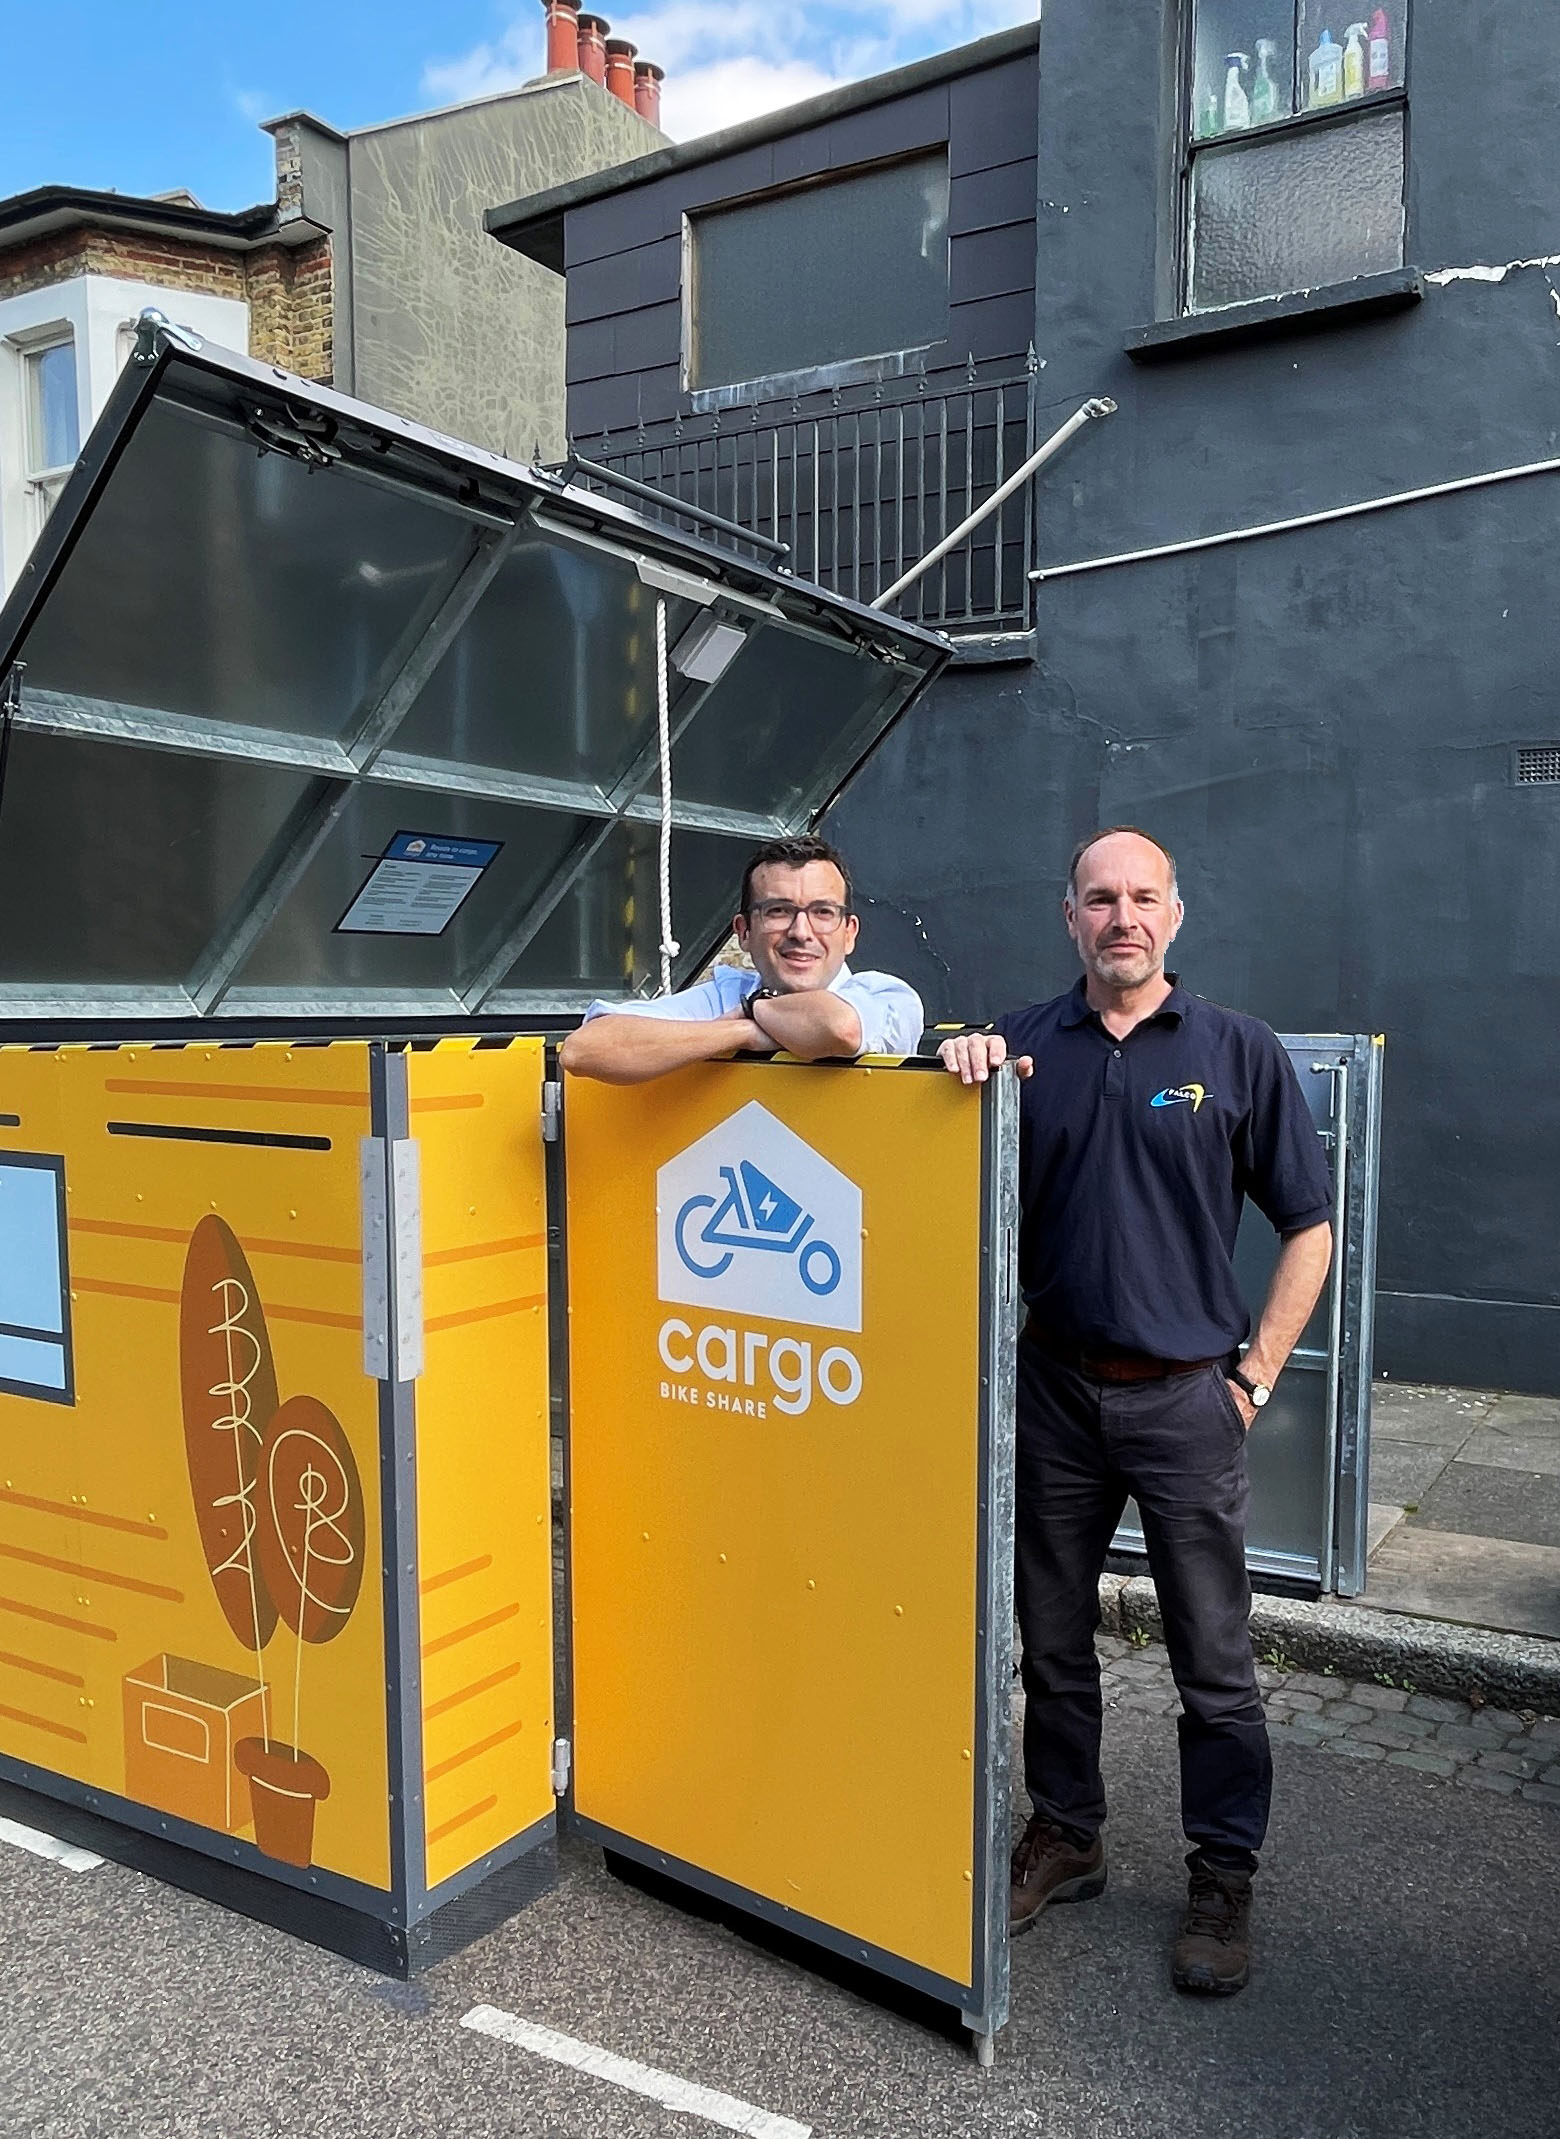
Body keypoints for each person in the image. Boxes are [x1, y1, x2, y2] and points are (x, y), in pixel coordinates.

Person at [941, 825, 1333, 1998]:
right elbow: (928, 1171)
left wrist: (1252, 1376)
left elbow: (1307, 1225)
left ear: (1174, 914)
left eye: (1142, 897)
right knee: (1050, 1640)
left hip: (1184, 1400)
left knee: (1211, 1655)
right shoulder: (1018, 1043)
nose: (1122, 916)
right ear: (1068, 915)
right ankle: (1066, 1831)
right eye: (1100, 897)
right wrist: (951, 1060)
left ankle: (1221, 1871)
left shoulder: (1234, 1049)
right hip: (1052, 1392)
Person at [558, 834, 924, 1081]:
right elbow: (584, 1051)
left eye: (823, 912)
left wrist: (752, 1010)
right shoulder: (726, 997)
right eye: (778, 911)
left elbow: (839, 1029)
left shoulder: (886, 996)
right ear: (744, 931)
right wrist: (740, 1032)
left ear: (849, 933)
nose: (801, 931)